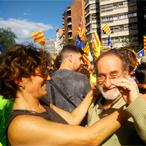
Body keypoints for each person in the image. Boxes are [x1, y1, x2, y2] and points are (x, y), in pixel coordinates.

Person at [0, 44, 131, 145]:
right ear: (18, 79)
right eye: (43, 73)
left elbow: (72, 120)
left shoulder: (42, 103)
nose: (49, 78)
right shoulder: (21, 124)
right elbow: (92, 137)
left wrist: (91, 94)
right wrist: (132, 106)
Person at [87, 49, 146, 145]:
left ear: (126, 73)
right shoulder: (94, 102)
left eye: (114, 75)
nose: (107, 84)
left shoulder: (138, 102)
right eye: (101, 76)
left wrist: (137, 105)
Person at [44, 44, 92, 113]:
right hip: (79, 123)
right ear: (71, 58)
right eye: (80, 59)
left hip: (56, 122)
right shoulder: (82, 78)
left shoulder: (48, 79)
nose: (82, 62)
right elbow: (90, 105)